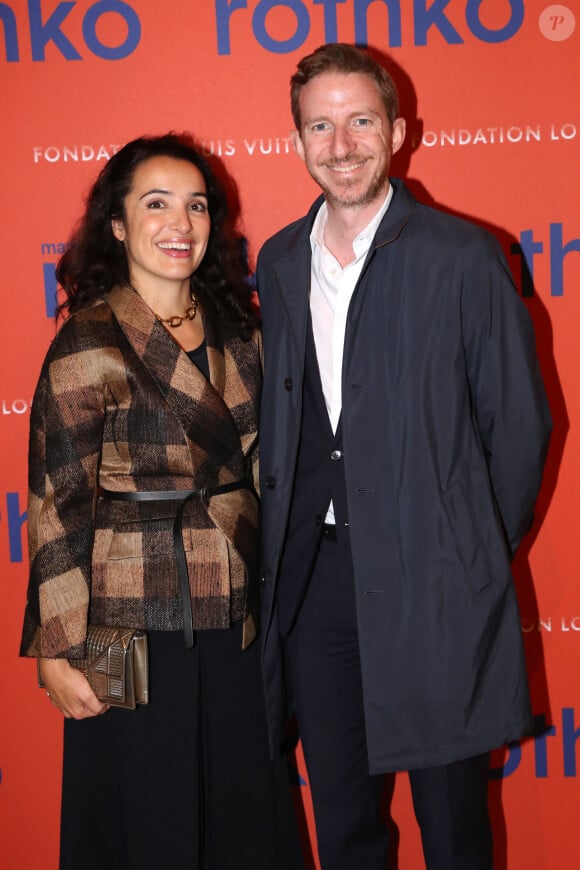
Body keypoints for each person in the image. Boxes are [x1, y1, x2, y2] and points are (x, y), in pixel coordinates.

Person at [257, 43, 552, 869]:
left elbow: (519, 431)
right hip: (315, 586)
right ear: (298, 140)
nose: (341, 144)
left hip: (434, 581)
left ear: (398, 129)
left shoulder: (464, 256)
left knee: (453, 823)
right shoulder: (279, 261)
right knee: (346, 820)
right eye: (321, 124)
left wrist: (464, 548)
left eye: (359, 121)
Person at [20, 133, 304, 870]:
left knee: (245, 818)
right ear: (117, 225)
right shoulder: (87, 343)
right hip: (127, 624)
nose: (180, 223)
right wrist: (55, 648)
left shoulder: (246, 336)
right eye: (156, 204)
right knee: (139, 821)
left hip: (237, 612)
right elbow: (56, 505)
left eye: (196, 206)